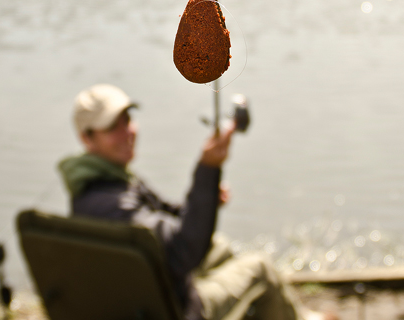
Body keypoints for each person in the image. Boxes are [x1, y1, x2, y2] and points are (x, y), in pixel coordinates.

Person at [57, 84, 335, 320]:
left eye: (127, 120)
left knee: (221, 248)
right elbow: (183, 250)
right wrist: (208, 168)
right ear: (86, 138)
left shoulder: (100, 183)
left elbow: (167, 216)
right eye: (111, 127)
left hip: (152, 287)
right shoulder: (110, 204)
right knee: (260, 269)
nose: (127, 132)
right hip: (178, 309)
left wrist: (207, 197)